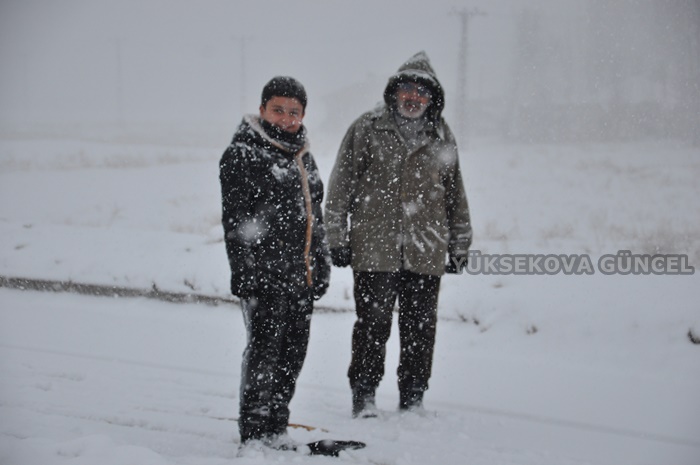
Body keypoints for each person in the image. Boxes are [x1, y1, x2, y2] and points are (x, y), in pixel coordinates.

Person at [325, 51, 472, 418]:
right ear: (394, 91)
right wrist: (336, 238)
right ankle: (364, 396)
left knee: (420, 328)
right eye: (407, 88)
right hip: (375, 248)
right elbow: (340, 186)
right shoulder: (367, 128)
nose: (413, 97)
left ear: (432, 98)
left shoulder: (441, 136)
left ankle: (413, 398)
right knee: (372, 326)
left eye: (422, 92)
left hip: (426, 249)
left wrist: (460, 244)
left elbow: (455, 195)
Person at [219, 76, 330, 447]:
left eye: (294, 112)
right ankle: (253, 435)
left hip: (300, 276)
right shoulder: (243, 153)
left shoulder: (303, 155)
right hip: (263, 276)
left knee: (292, 355)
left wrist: (321, 263)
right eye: (278, 110)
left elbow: (315, 216)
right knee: (264, 355)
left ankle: (277, 428)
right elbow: (235, 221)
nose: (286, 118)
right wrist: (243, 270)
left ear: (303, 115)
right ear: (262, 109)